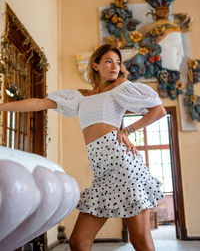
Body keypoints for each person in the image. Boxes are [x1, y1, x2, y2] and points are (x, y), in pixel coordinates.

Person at [0, 44, 166, 251]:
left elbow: (158, 110)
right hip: (102, 174)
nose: (115, 66)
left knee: (139, 239)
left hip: (123, 167)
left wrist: (128, 130)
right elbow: (38, 103)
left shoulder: (121, 86)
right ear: (96, 65)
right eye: (108, 61)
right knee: (78, 241)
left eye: (118, 62)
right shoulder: (79, 96)